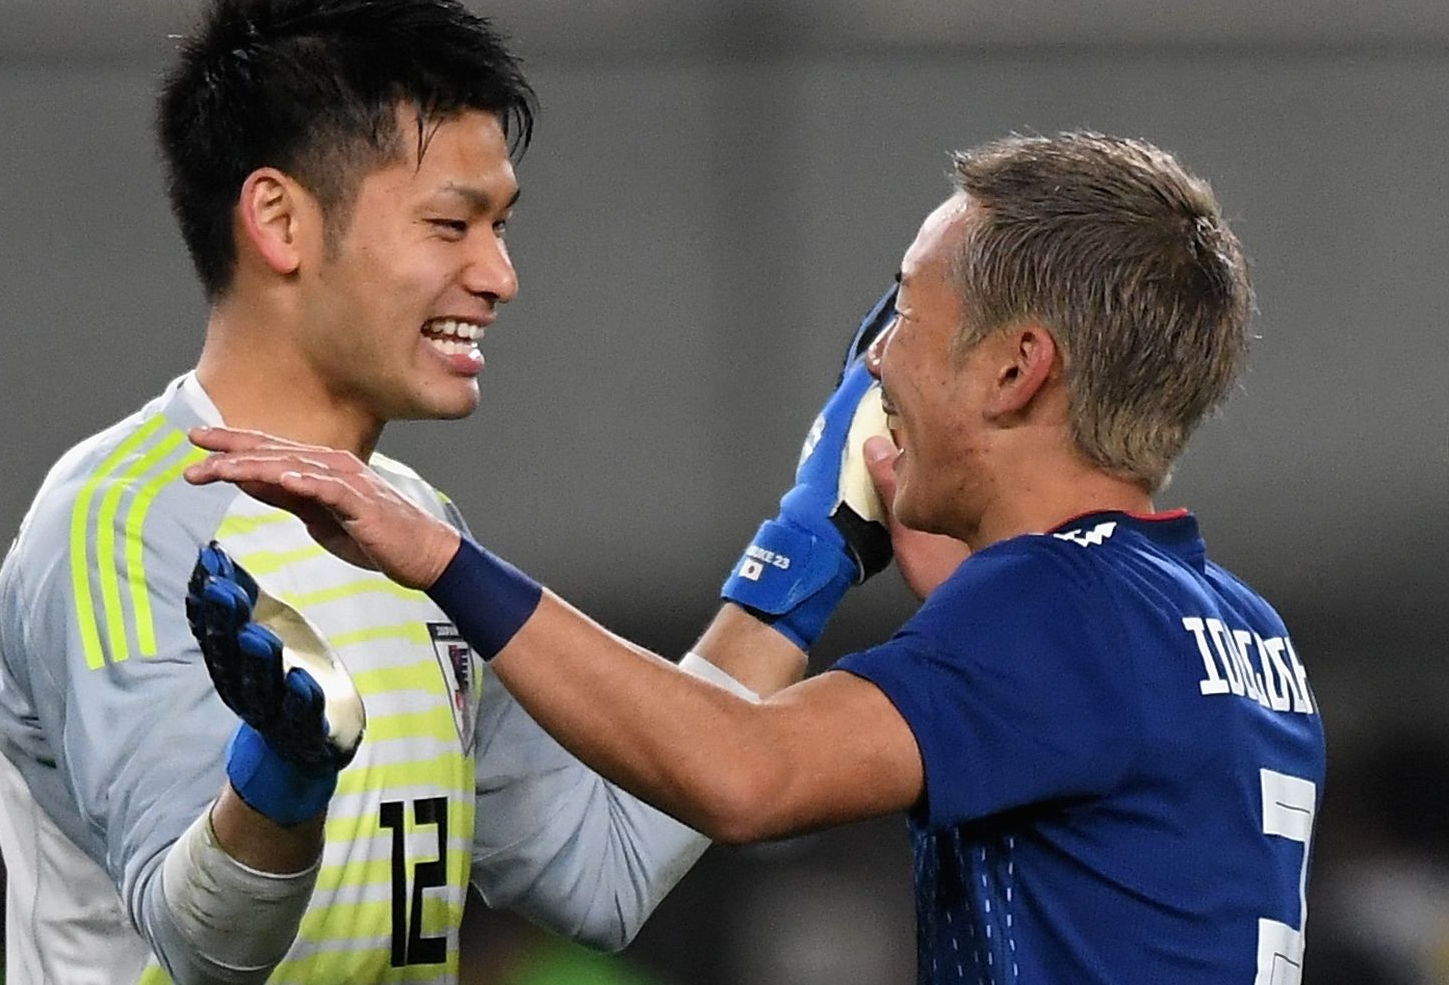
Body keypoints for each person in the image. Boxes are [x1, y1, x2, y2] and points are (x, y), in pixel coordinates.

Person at [188, 131, 1328, 983]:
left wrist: (438, 558)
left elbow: (744, 775)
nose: (877, 358)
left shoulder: (1053, 614)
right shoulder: (1227, 623)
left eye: (909, 321)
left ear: (1016, 369)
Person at [0, 0, 782, 985]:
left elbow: (606, 868)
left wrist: (816, 541)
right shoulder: (122, 522)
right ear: (279, 220)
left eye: (501, 226)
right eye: (452, 224)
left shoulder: (414, 528)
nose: (499, 277)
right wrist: (287, 772)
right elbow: (205, 946)